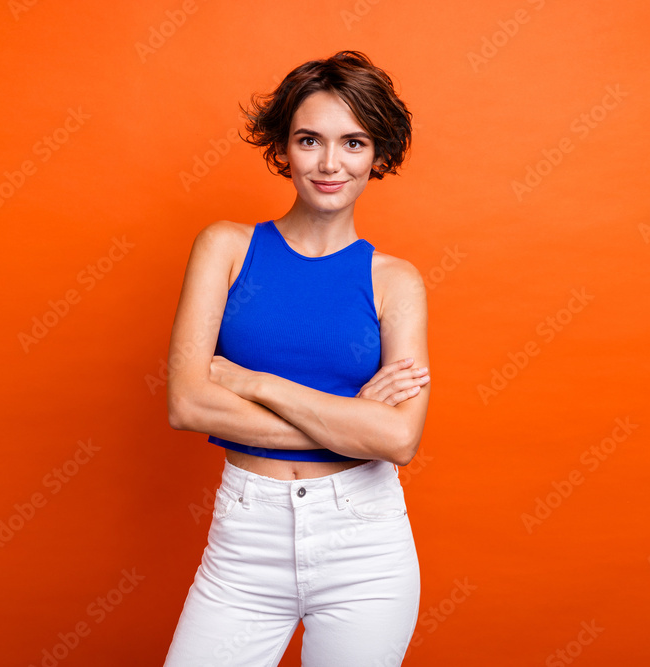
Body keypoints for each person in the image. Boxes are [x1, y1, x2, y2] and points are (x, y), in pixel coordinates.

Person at [164, 50, 431, 666]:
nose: (330, 163)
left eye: (354, 143)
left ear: (379, 155)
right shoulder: (226, 248)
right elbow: (186, 404)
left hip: (365, 545)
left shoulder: (397, 282)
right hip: (245, 540)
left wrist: (247, 381)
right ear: (283, 148)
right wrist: (350, 422)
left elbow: (398, 440)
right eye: (310, 140)